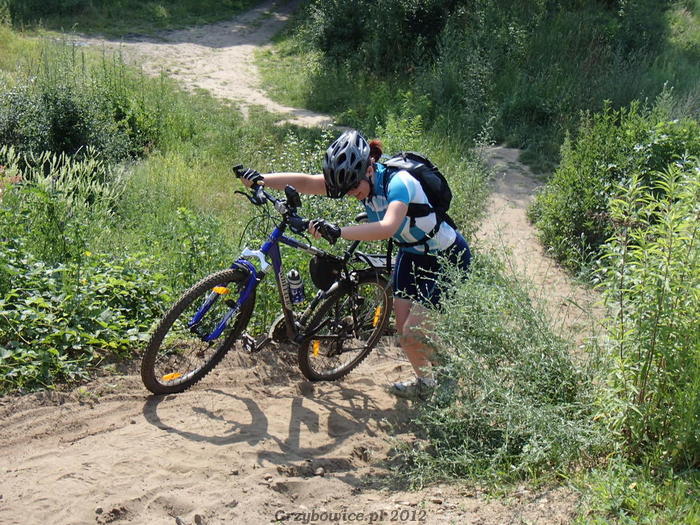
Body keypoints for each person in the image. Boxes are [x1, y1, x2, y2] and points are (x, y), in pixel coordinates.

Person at [236, 129, 471, 400]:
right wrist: (261, 179)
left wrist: (339, 231)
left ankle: (449, 375)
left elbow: (387, 227)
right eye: (346, 190)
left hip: (447, 257)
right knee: (403, 330)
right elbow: (307, 182)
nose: (351, 193)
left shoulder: (399, 183)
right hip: (411, 254)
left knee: (413, 333)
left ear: (369, 168)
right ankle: (426, 382)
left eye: (353, 188)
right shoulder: (354, 181)